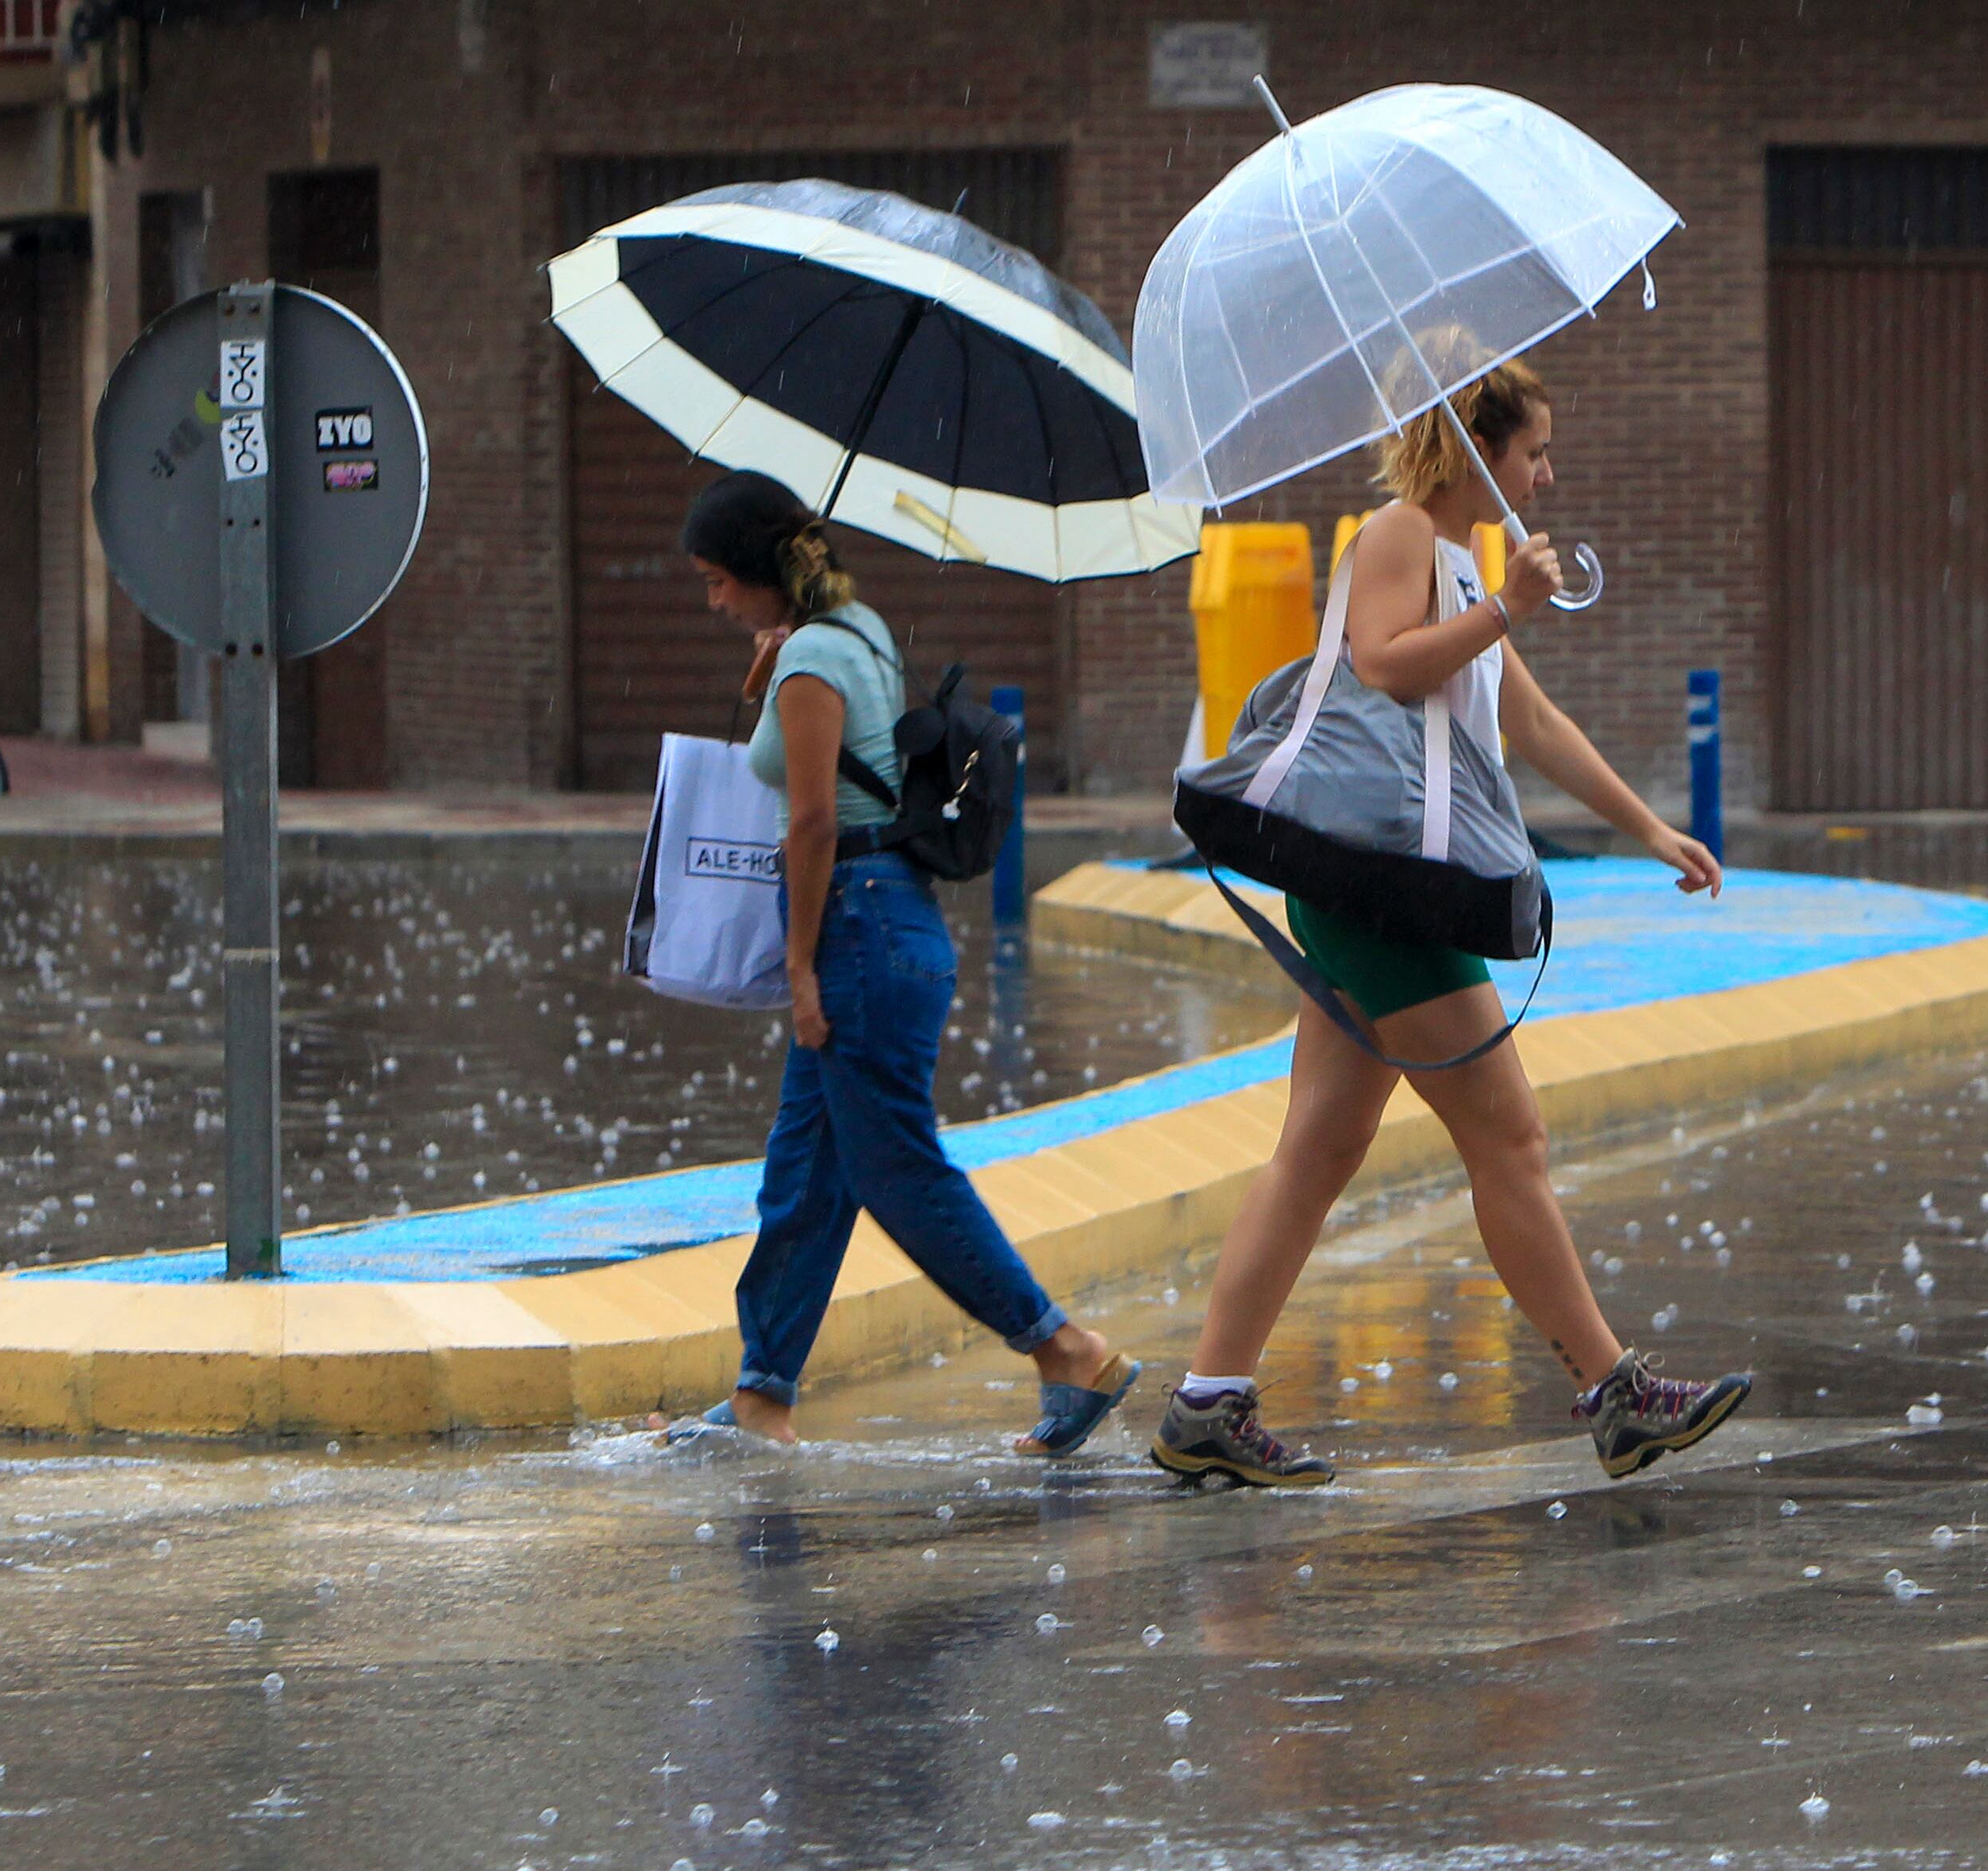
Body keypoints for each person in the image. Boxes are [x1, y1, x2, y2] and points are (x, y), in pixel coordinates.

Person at [1151, 359, 1752, 1489]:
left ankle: (1206, 1404)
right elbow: (1381, 665)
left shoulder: (1453, 560)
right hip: (1381, 894)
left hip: (1376, 891)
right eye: (1531, 450)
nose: (1544, 471)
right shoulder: (1394, 538)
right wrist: (1499, 610)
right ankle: (1612, 1394)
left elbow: (1526, 717)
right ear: (1473, 448)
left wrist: (1645, 828)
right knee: (1507, 1137)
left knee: (1318, 1153)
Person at [660, 471, 1140, 1456]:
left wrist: (798, 969)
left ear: (757, 570)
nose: (710, 601)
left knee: (895, 1171)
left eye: (716, 581)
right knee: (805, 1172)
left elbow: (812, 819)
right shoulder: (853, 633)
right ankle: (761, 1393)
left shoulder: (811, 664)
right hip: (896, 922)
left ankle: (1065, 1347)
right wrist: (769, 677)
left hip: (858, 933)